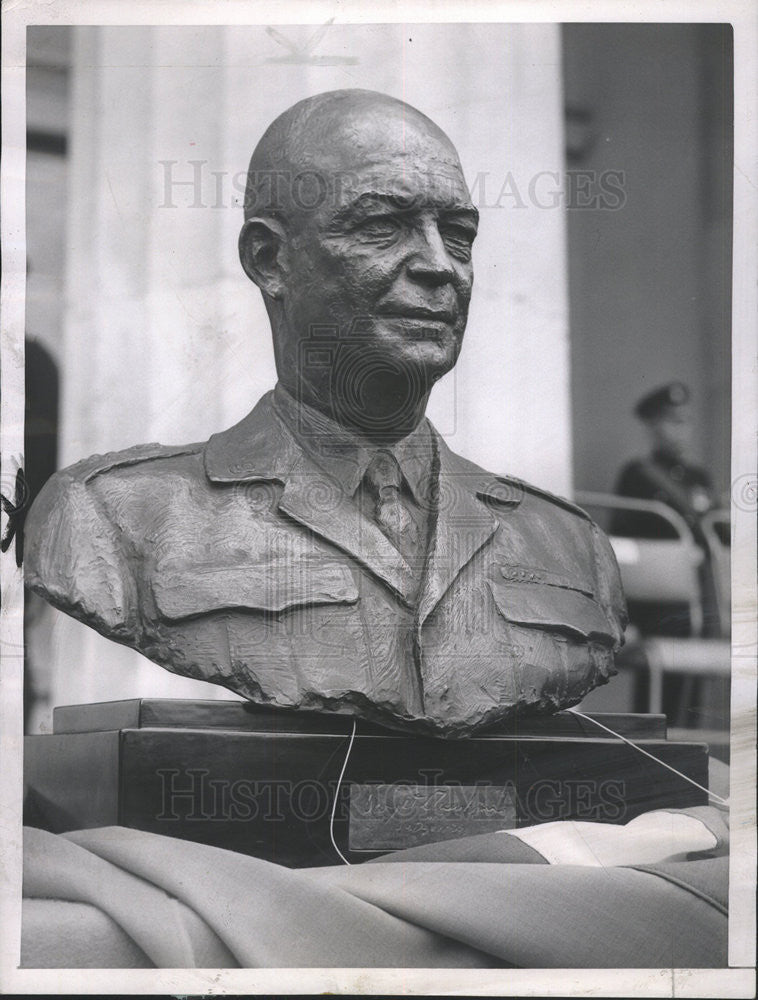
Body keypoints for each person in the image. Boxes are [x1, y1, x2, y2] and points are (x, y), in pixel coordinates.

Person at [24, 89, 627, 738]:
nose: (438, 266)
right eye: (382, 227)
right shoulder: (111, 519)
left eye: (458, 235)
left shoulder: (570, 546)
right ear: (269, 260)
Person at [613, 382, 715, 545]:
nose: (682, 429)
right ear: (653, 427)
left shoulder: (699, 477)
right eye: (674, 420)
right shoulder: (636, 475)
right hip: (658, 566)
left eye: (686, 420)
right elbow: (622, 538)